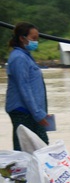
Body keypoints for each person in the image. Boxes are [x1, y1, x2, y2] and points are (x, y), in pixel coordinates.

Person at [5, 22, 51, 150]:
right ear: (22, 38)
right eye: (33, 38)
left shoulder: (25, 57)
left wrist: (41, 111)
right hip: (24, 111)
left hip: (33, 111)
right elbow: (24, 88)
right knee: (29, 148)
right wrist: (37, 114)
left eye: (37, 38)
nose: (36, 42)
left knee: (40, 147)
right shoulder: (19, 58)